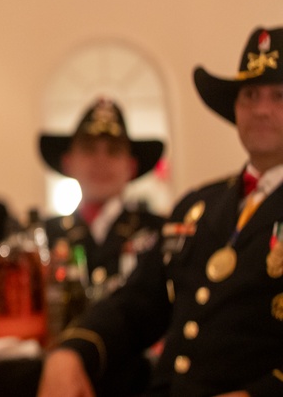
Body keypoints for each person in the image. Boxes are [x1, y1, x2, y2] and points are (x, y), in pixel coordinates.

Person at [38, 26, 283, 397]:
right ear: (236, 108)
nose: (262, 109)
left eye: (279, 95)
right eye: (250, 95)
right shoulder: (197, 206)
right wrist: (72, 351)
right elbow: (139, 302)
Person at [39, 97, 166, 293]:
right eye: (89, 149)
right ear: (68, 162)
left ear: (131, 167)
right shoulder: (45, 237)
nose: (101, 160)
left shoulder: (159, 233)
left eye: (113, 151)